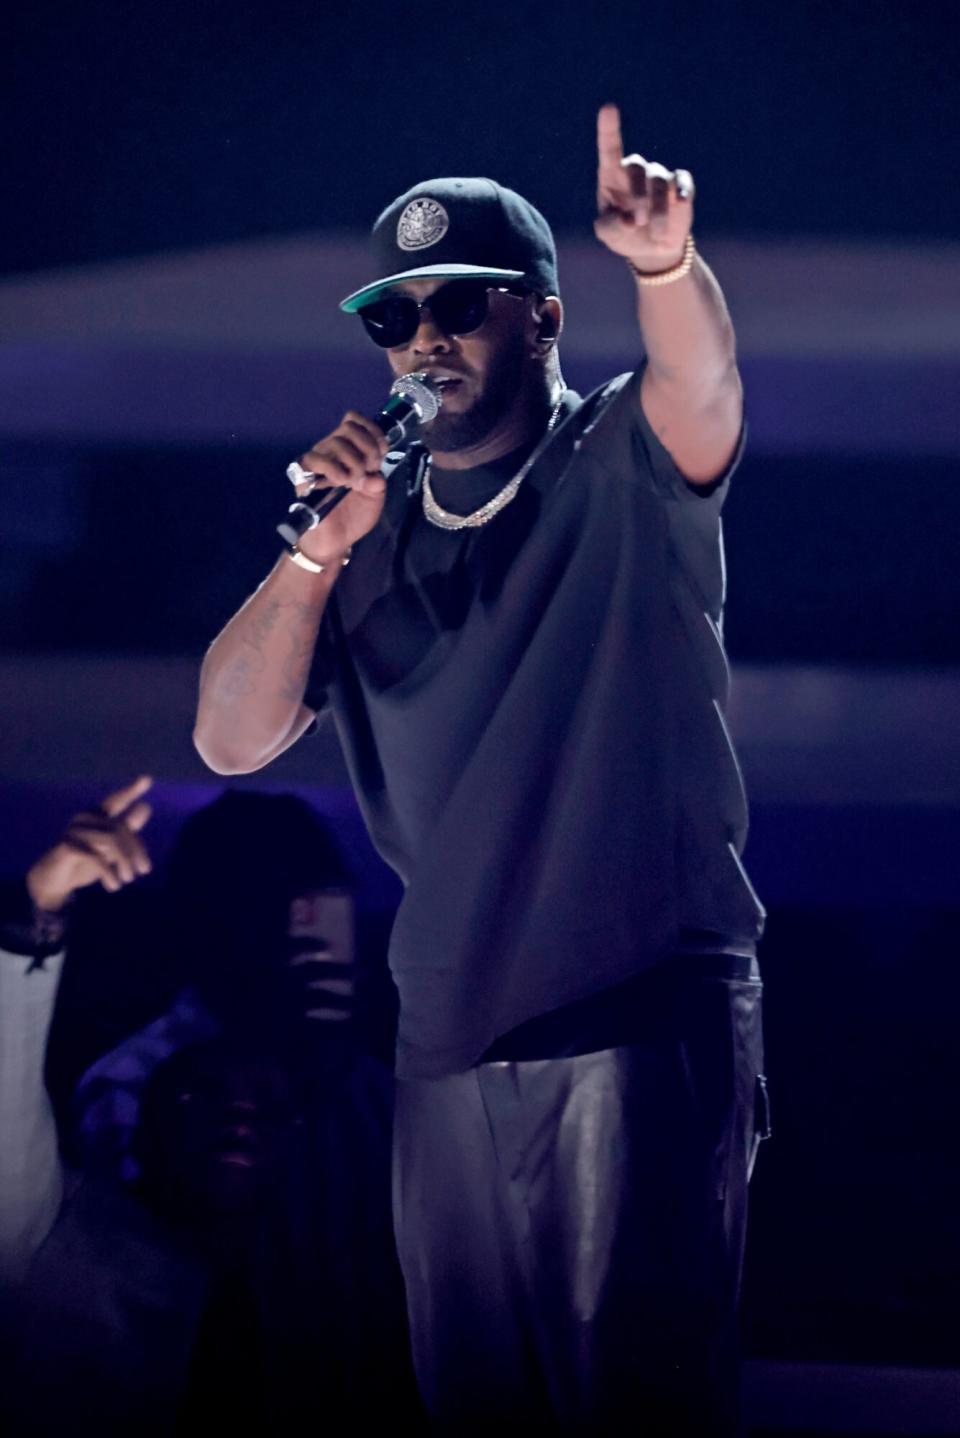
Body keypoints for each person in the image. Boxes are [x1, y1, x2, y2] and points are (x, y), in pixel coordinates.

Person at [194, 104, 769, 1433]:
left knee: (637, 1396)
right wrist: (315, 550)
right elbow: (226, 740)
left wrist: (668, 269)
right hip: (448, 1032)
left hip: (635, 1000)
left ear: (544, 318)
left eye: (458, 302)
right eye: (392, 319)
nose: (423, 340)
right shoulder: (367, 531)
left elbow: (706, 394)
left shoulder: (616, 459)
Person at [0, 782, 420, 1433]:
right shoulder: (136, 1083)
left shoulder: (373, 1092)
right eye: (275, 911)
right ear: (215, 923)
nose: (301, 939)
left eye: (320, 910)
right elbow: (124, 1254)